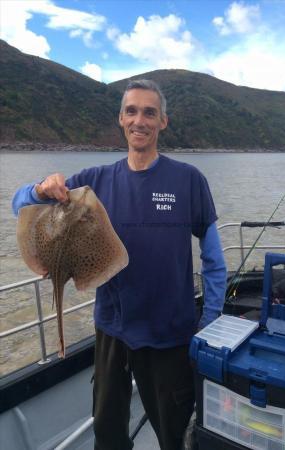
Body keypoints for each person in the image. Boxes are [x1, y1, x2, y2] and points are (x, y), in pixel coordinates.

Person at [12, 80, 227, 450]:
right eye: (131, 111)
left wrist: (209, 320)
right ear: (120, 119)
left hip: (169, 334)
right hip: (112, 330)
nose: (139, 120)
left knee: (172, 433)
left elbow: (214, 259)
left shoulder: (188, 180)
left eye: (149, 112)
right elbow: (20, 206)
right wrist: (42, 188)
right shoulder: (93, 183)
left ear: (163, 122)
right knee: (108, 433)